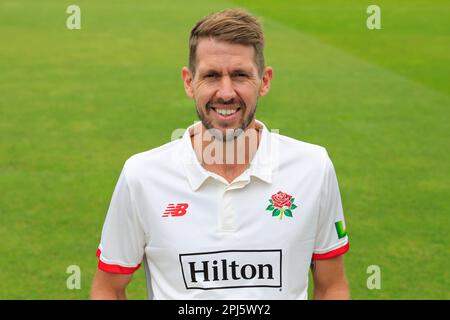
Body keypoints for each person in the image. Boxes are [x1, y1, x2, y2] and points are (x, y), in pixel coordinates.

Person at [91, 8, 350, 300]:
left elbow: (331, 286)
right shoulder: (142, 175)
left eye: (240, 75)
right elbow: (108, 288)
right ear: (189, 82)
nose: (226, 93)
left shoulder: (312, 168)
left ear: (264, 81)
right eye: (211, 76)